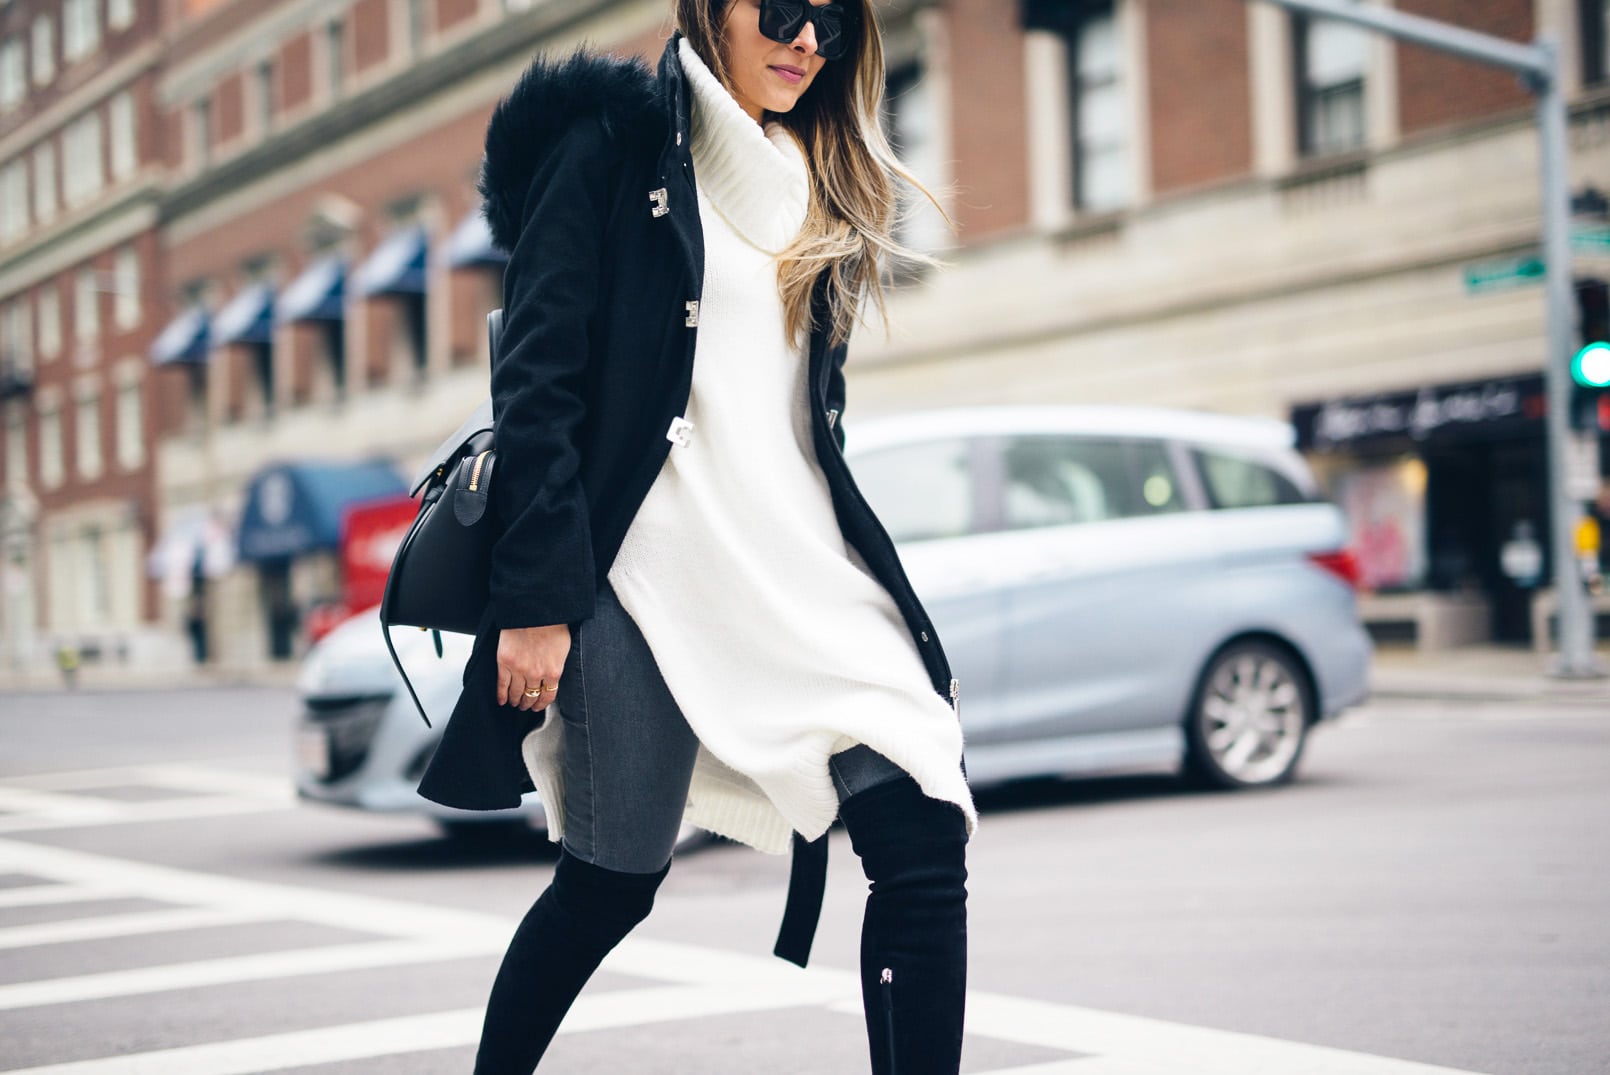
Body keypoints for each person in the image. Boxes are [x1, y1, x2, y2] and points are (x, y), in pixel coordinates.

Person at [414, 1, 977, 1070]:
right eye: (781, 8)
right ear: (710, 6)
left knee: (921, 829)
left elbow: (809, 411)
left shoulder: (821, 178)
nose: (807, 39)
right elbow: (535, 388)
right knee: (609, 882)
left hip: (798, 567)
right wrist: (536, 599)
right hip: (643, 569)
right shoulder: (611, 146)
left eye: (832, 21)